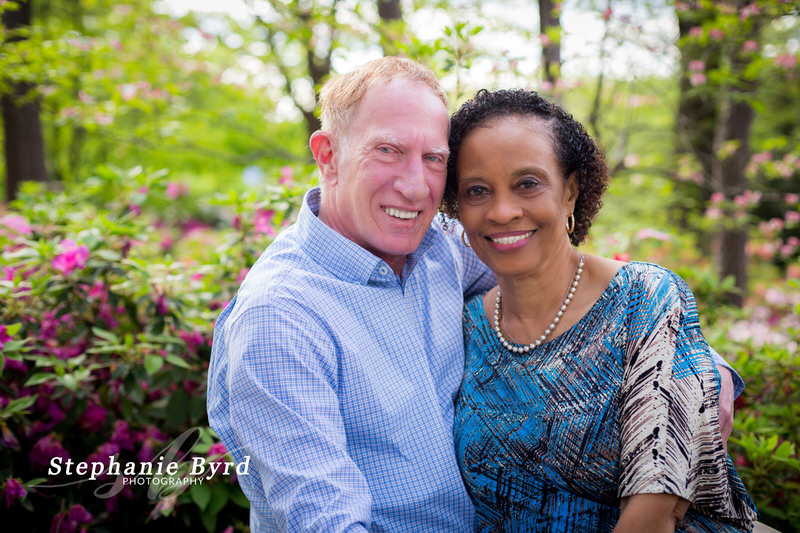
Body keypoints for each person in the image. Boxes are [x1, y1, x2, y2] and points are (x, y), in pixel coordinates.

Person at [207, 57, 741, 532]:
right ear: (328, 155)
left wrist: (695, 360)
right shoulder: (279, 318)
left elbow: (555, 279)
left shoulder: (436, 250)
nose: (415, 187)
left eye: (434, 159)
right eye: (388, 151)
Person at [442, 88, 758, 532]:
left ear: (571, 192)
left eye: (527, 183)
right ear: (458, 207)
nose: (502, 211)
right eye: (478, 191)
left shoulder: (644, 298)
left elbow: (657, 503)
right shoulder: (466, 325)